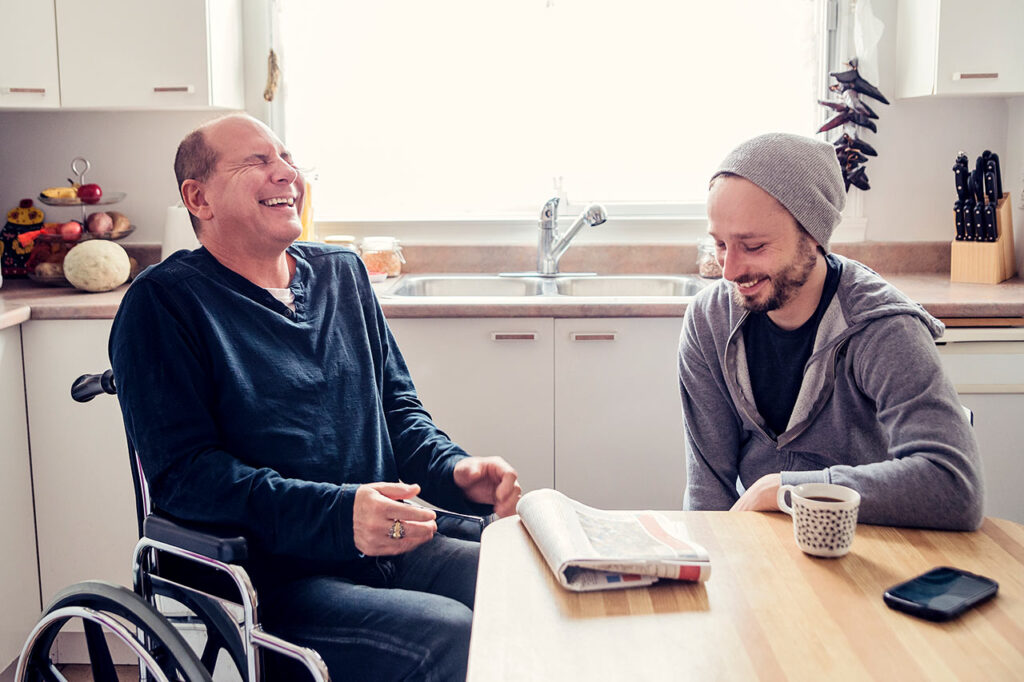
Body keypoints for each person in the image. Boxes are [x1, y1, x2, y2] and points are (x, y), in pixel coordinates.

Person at [109, 113, 522, 681]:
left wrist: (455, 470)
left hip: (390, 541)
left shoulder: (342, 275)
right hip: (274, 576)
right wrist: (339, 515)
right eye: (257, 162)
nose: (286, 175)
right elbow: (187, 477)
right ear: (198, 198)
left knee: (520, 583)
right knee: (450, 631)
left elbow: (397, 413)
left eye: (288, 160)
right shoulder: (164, 304)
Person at [677, 132, 983, 531]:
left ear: (813, 236)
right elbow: (707, 492)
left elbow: (955, 486)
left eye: (752, 246)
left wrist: (787, 489)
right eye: (719, 244)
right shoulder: (709, 320)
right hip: (757, 547)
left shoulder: (883, 327)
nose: (730, 270)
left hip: (865, 549)